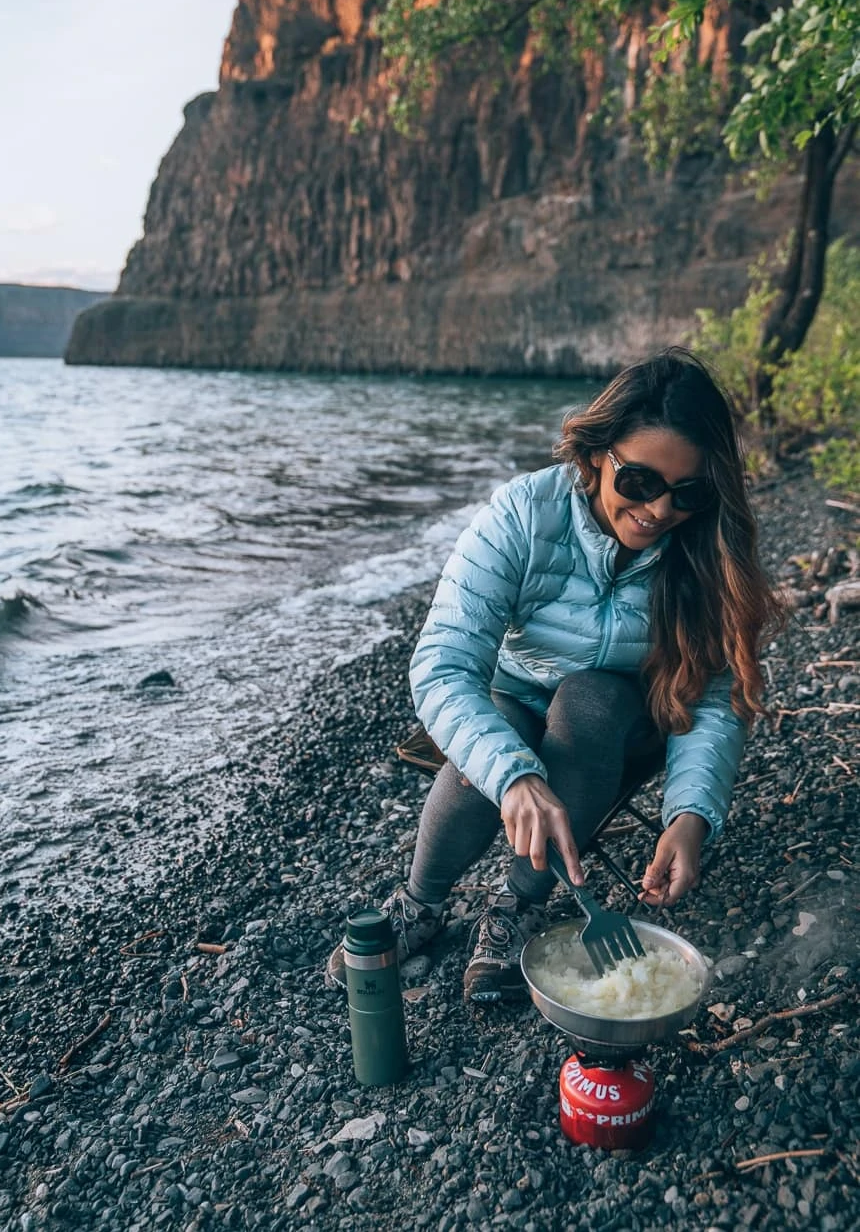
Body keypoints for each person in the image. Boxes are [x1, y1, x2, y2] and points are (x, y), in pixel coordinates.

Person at [326, 348, 783, 1003]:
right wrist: (514, 775)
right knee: (504, 721)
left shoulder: (702, 545)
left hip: (621, 721)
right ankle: (421, 901)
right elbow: (444, 661)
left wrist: (690, 815)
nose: (659, 511)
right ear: (598, 453)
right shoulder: (523, 515)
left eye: (687, 491)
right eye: (639, 482)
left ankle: (519, 904)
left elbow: (713, 695)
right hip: (515, 692)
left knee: (589, 700)